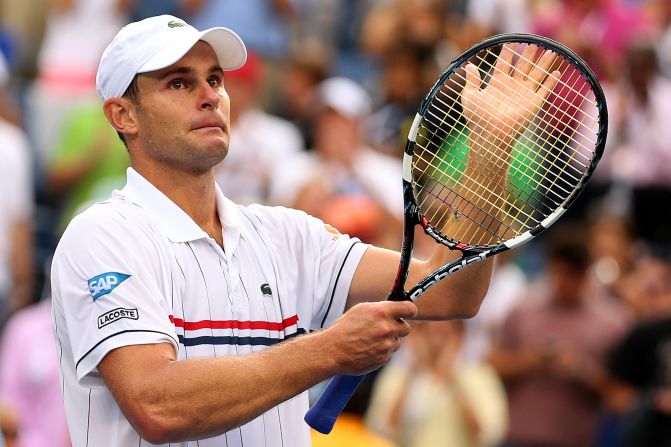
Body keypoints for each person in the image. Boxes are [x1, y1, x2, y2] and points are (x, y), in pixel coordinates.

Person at [50, 15, 558, 447]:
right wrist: (330, 350)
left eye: (215, 79)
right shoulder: (100, 237)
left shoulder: (285, 233)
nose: (210, 96)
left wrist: (490, 150)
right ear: (123, 115)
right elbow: (157, 405)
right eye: (179, 83)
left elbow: (451, 292)